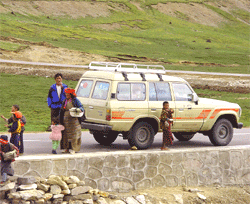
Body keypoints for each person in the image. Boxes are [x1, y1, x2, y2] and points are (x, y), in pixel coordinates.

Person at [60, 88, 84, 154]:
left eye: (68, 94)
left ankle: (74, 148)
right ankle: (66, 148)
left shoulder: (75, 100)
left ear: (71, 94)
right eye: (66, 94)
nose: (66, 95)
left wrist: (79, 109)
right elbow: (62, 110)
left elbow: (81, 107)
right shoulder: (65, 101)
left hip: (74, 120)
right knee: (66, 134)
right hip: (66, 121)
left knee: (74, 134)